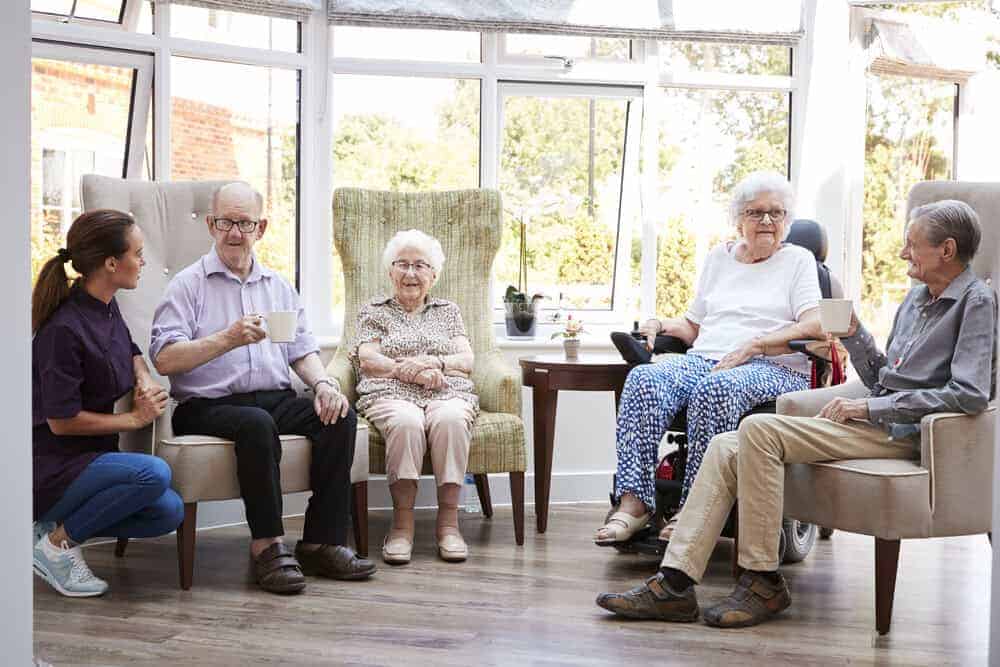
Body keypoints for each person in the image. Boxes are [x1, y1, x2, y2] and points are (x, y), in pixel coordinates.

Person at [596, 199, 996, 628]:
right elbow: (885, 376)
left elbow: (968, 395)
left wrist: (869, 407)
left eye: (912, 245)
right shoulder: (917, 299)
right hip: (878, 419)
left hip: (906, 433)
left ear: (947, 250)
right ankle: (674, 584)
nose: (903, 254)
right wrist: (856, 334)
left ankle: (762, 581)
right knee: (727, 446)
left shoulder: (977, 302)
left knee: (757, 430)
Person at [150, 182, 375, 594]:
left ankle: (321, 540)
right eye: (225, 222)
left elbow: (302, 351)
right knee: (254, 423)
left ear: (262, 228)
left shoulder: (278, 287)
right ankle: (267, 545)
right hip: (206, 404)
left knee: (338, 413)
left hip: (274, 397)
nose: (235, 232)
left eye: (245, 223)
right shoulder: (188, 285)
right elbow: (165, 359)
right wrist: (227, 338)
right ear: (210, 224)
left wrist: (323, 384)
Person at [596, 171, 824, 546]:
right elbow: (692, 326)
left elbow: (816, 324)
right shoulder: (719, 257)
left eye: (776, 213)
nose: (767, 221)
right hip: (708, 358)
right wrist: (656, 323)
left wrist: (757, 345)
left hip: (774, 366)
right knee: (643, 377)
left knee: (716, 388)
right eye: (756, 213)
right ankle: (634, 503)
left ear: (788, 220)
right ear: (738, 219)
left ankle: (695, 510)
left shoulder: (798, 260)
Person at [32, 209, 184, 598]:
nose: (143, 260)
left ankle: (50, 529)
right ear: (112, 263)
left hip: (93, 461)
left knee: (168, 511)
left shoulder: (106, 305)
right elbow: (61, 423)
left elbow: (129, 348)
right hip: (52, 466)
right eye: (137, 252)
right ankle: (56, 546)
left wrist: (143, 376)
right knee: (153, 474)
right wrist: (134, 419)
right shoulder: (63, 330)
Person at [353, 229, 477, 565]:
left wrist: (435, 363)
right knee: (407, 421)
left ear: (433, 275)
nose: (410, 273)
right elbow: (368, 359)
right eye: (402, 265)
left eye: (420, 265)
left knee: (450, 420)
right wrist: (406, 371)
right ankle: (402, 526)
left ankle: (449, 525)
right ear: (390, 271)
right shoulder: (373, 311)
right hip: (389, 391)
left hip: (445, 389)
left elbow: (466, 361)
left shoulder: (448, 311)